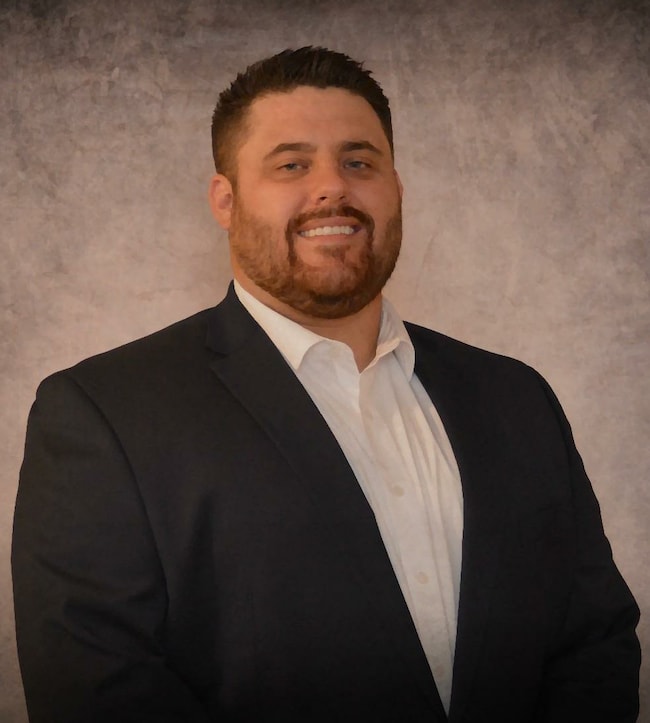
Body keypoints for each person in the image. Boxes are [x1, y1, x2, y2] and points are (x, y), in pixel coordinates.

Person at [12, 46, 640, 723]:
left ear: (397, 188)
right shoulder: (105, 415)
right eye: (291, 164)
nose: (332, 188)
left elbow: (593, 641)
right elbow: (96, 689)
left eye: (359, 162)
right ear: (225, 200)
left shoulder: (517, 398)